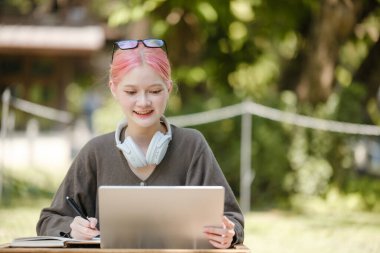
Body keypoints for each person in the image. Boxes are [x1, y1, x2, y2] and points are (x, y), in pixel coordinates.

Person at [36, 39, 244, 249]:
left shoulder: (192, 146)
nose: (143, 102)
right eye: (131, 92)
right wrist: (73, 227)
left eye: (154, 91)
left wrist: (229, 232)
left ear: (169, 88)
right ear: (114, 89)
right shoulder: (95, 152)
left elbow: (233, 220)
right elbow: (48, 221)